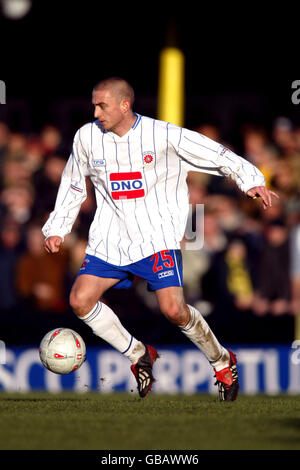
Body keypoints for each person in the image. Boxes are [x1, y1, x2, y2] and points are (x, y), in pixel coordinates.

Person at [42, 77, 279, 401]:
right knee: (80, 300)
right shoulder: (87, 137)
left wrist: (250, 179)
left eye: (102, 105)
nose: (96, 112)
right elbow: (72, 183)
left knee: (173, 310)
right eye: (94, 105)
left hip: (156, 239)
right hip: (110, 239)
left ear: (125, 105)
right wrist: (58, 227)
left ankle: (222, 360)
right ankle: (139, 354)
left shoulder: (163, 135)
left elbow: (214, 152)